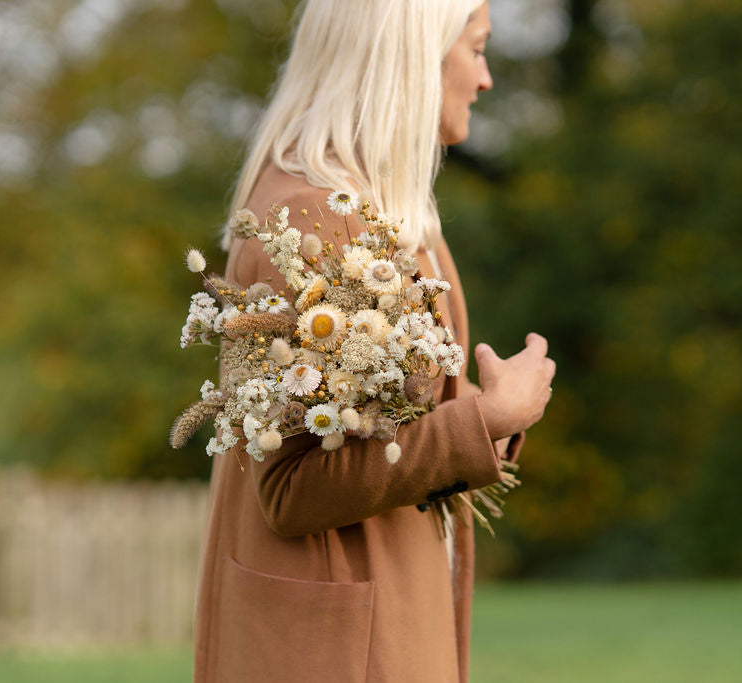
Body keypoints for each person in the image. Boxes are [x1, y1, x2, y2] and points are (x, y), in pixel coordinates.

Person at [192, 2, 556, 681]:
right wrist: (487, 420)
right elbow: (292, 487)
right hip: (336, 650)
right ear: (415, 55)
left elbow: (380, 424)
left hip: (373, 618)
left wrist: (487, 419)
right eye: (477, 48)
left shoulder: (384, 210)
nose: (486, 79)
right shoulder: (310, 216)